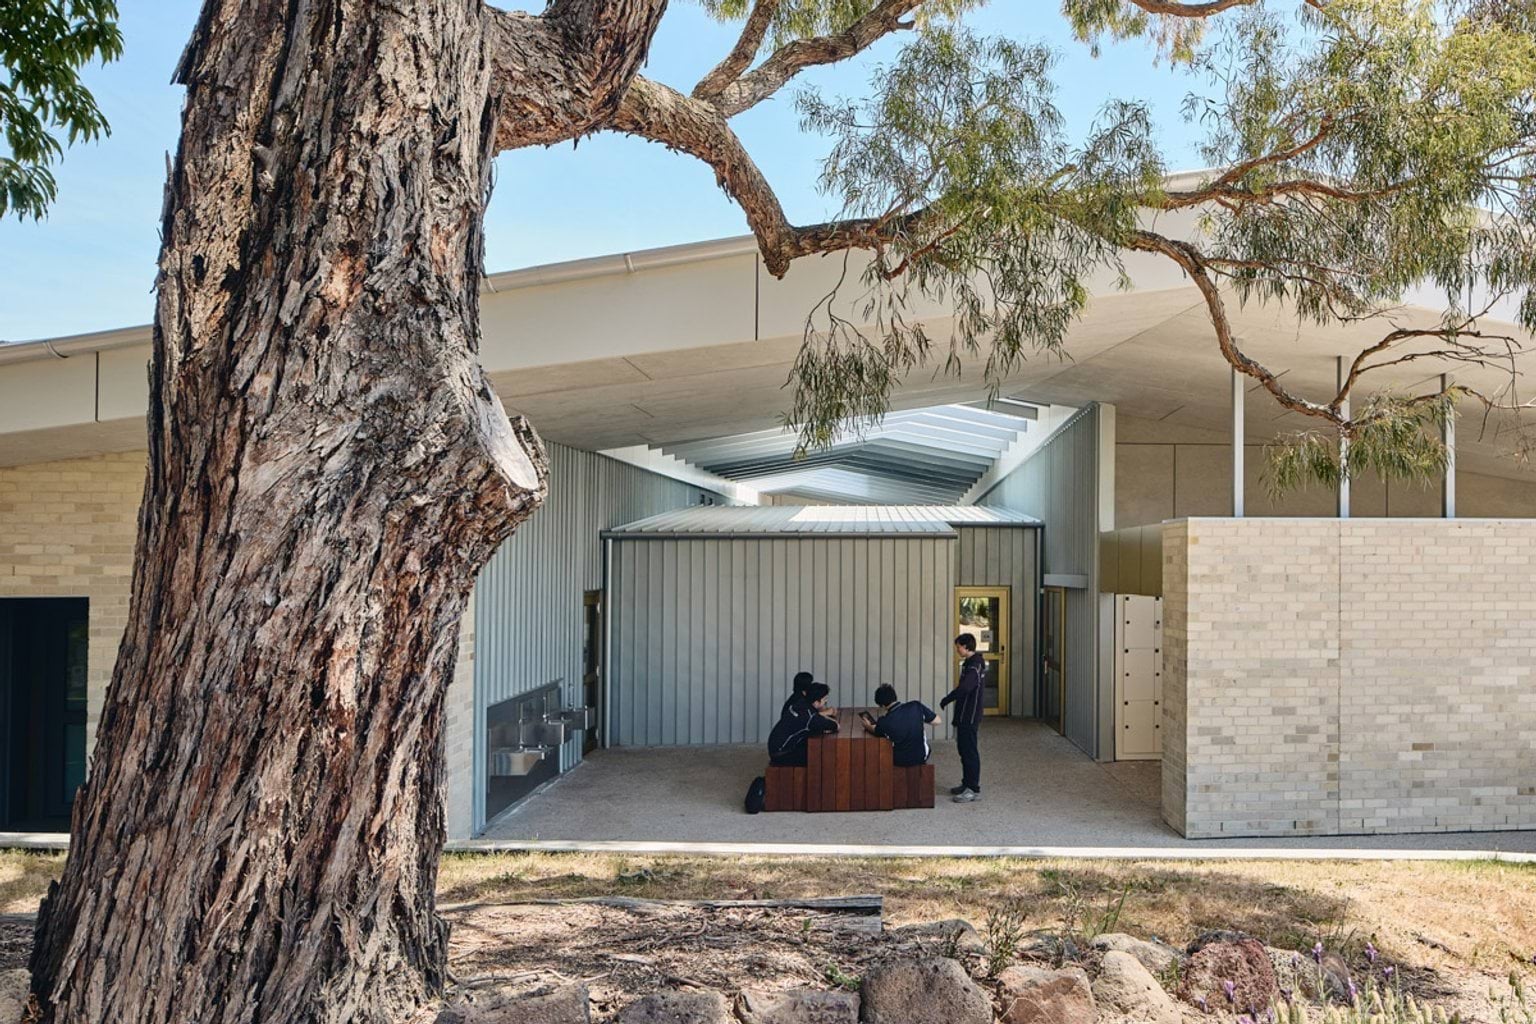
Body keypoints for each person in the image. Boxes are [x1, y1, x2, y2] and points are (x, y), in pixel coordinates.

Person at [941, 633, 985, 802]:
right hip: (964, 715)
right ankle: (966, 783)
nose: (957, 649)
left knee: (969, 751)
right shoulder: (970, 664)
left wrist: (948, 699)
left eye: (959, 646)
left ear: (966, 647)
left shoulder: (974, 666)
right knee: (963, 750)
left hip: (970, 715)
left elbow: (965, 688)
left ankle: (973, 789)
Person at [860, 684, 940, 766]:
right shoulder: (916, 706)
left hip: (899, 760)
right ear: (894, 696)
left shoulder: (884, 722)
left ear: (882, 706)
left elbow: (875, 730)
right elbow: (937, 721)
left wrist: (867, 726)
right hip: (921, 756)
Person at [767, 682, 839, 766]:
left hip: (775, 748)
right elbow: (836, 726)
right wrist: (828, 717)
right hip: (781, 755)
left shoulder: (800, 703)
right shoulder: (810, 718)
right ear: (816, 702)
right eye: (825, 699)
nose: (826, 701)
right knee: (821, 755)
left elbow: (817, 718)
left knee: (814, 741)